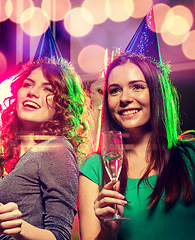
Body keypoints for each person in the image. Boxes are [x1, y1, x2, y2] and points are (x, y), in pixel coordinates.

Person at [78, 53, 195, 240]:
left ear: (158, 92)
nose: (124, 98)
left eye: (137, 87)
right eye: (115, 90)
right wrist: (109, 231)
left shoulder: (190, 156)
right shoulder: (94, 168)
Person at [0, 57, 91, 240]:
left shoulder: (57, 149)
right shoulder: (24, 158)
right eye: (28, 84)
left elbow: (60, 236)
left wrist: (20, 228)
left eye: (48, 88)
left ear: (62, 104)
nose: (33, 92)